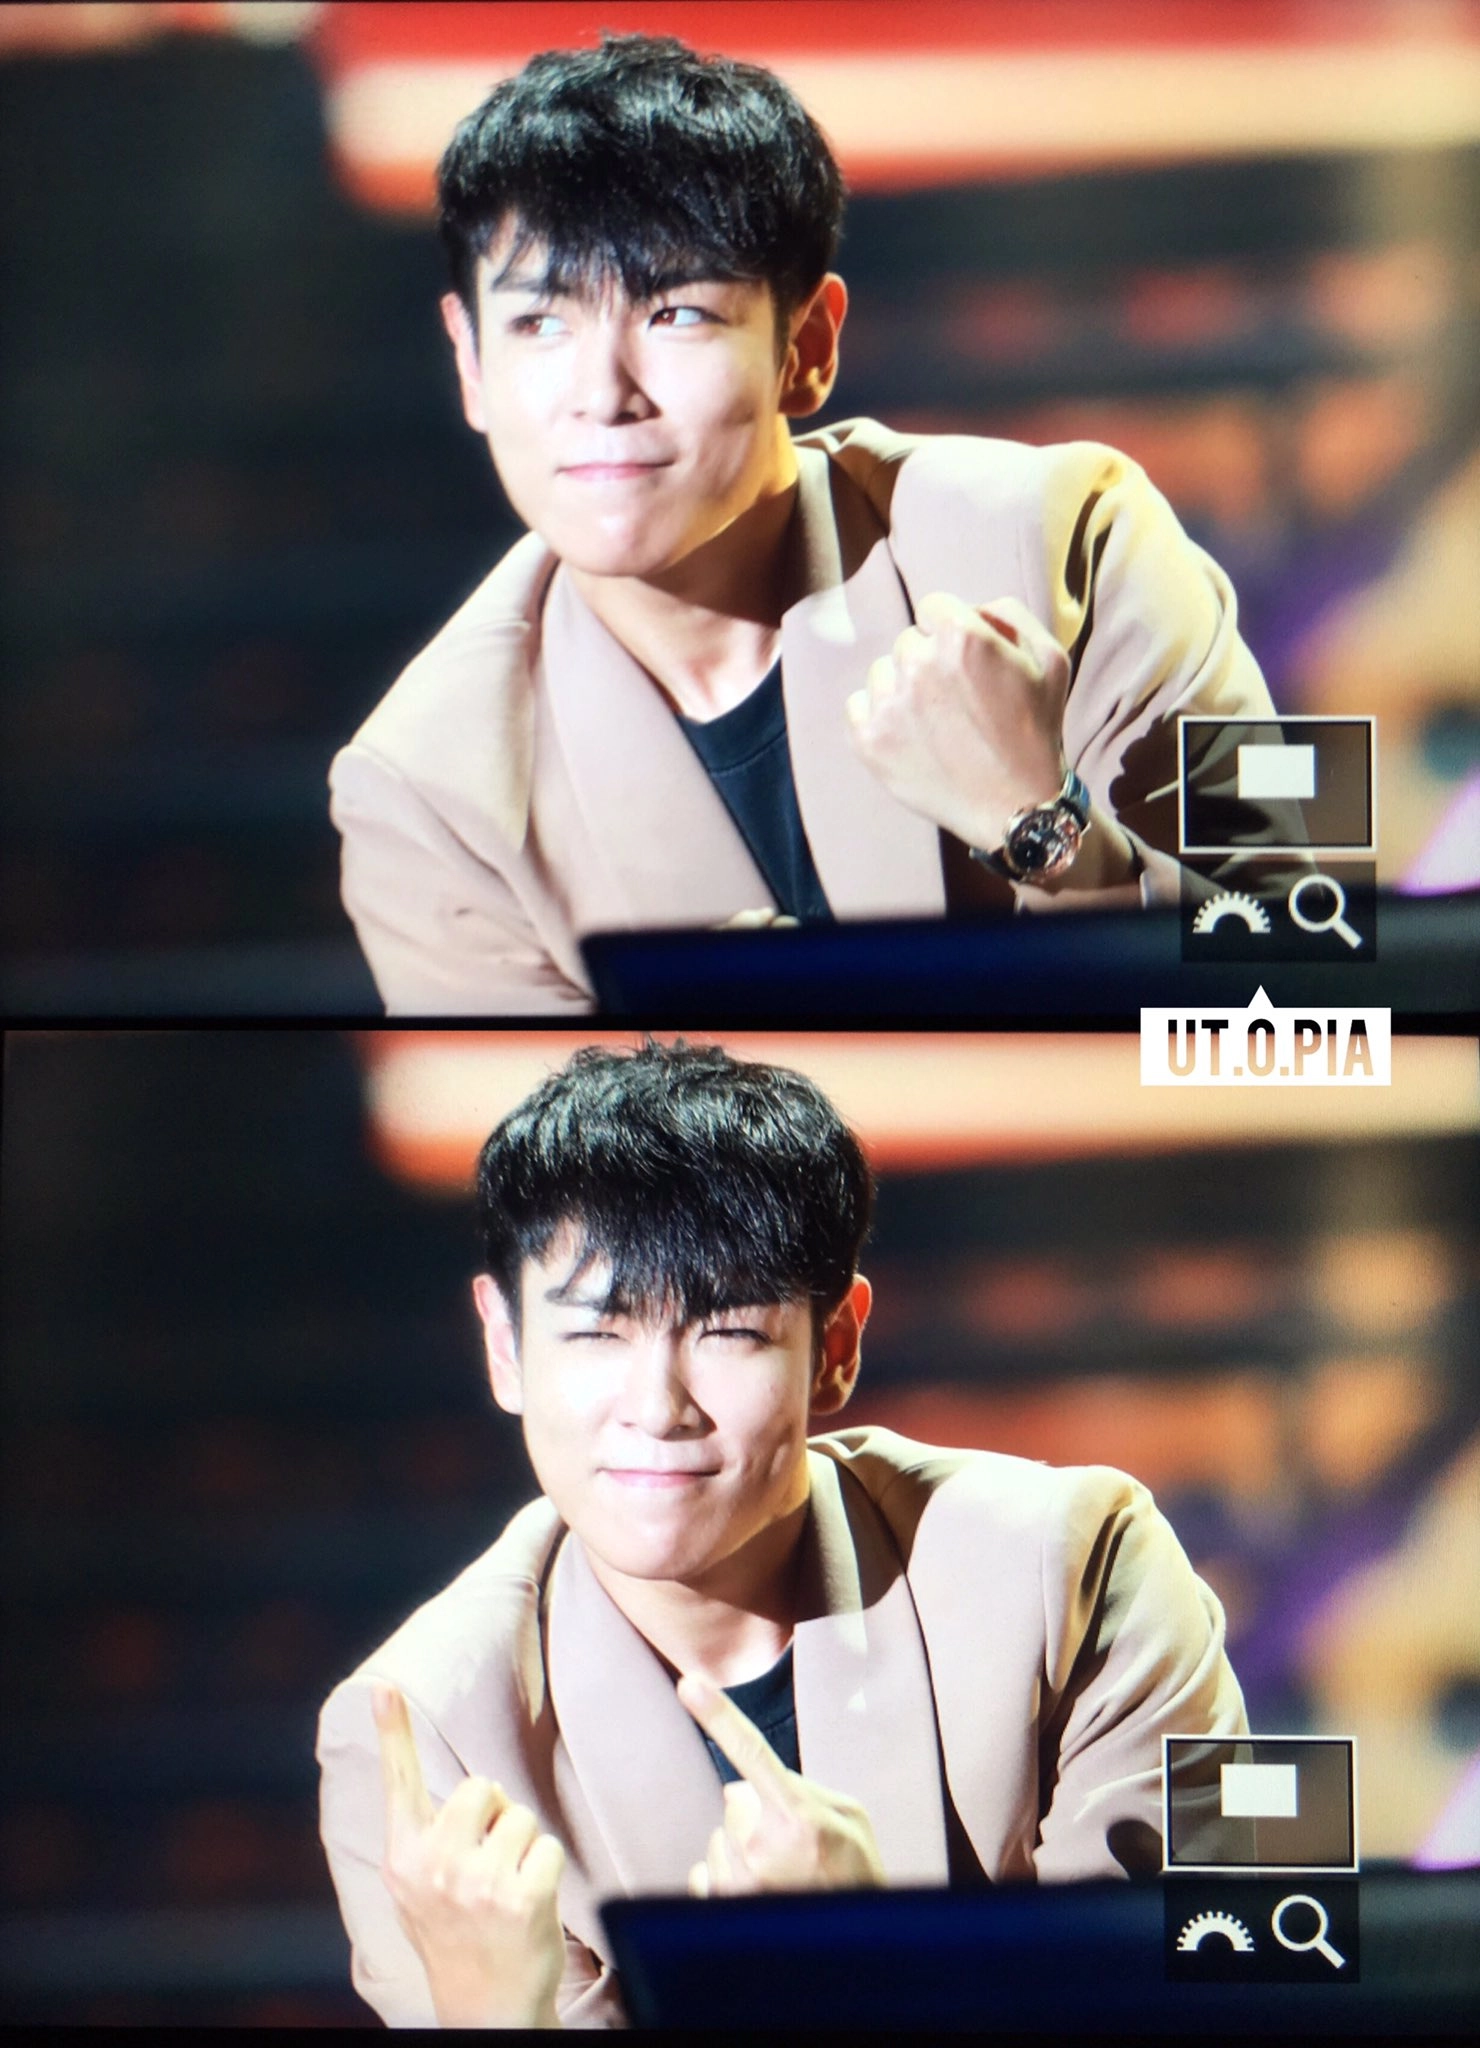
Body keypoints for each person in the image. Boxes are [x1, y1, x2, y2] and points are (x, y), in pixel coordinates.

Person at [328, 33, 1295, 1016]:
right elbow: (527, 1112)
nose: (603, 395)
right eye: (539, 324)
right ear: (470, 363)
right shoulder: (427, 789)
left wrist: (1039, 827)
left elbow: (1321, 962)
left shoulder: (1075, 534)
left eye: (675, 314)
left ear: (808, 344)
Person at [316, 1040, 1247, 2027]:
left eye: (727, 1331)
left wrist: (867, 1966)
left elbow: (1262, 1960)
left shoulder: (1082, 1562)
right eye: (595, 1332)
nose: (657, 1408)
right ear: (505, 1347)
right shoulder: (423, 1739)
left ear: (834, 1347)